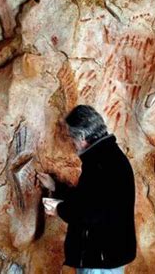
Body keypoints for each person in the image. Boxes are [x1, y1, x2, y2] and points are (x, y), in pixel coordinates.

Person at [38, 105, 137, 274]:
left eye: (71, 138)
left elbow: (90, 213)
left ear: (82, 136)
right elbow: (88, 199)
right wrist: (55, 187)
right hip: (108, 256)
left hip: (100, 258)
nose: (72, 143)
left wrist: (58, 209)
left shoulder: (100, 165)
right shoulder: (108, 157)